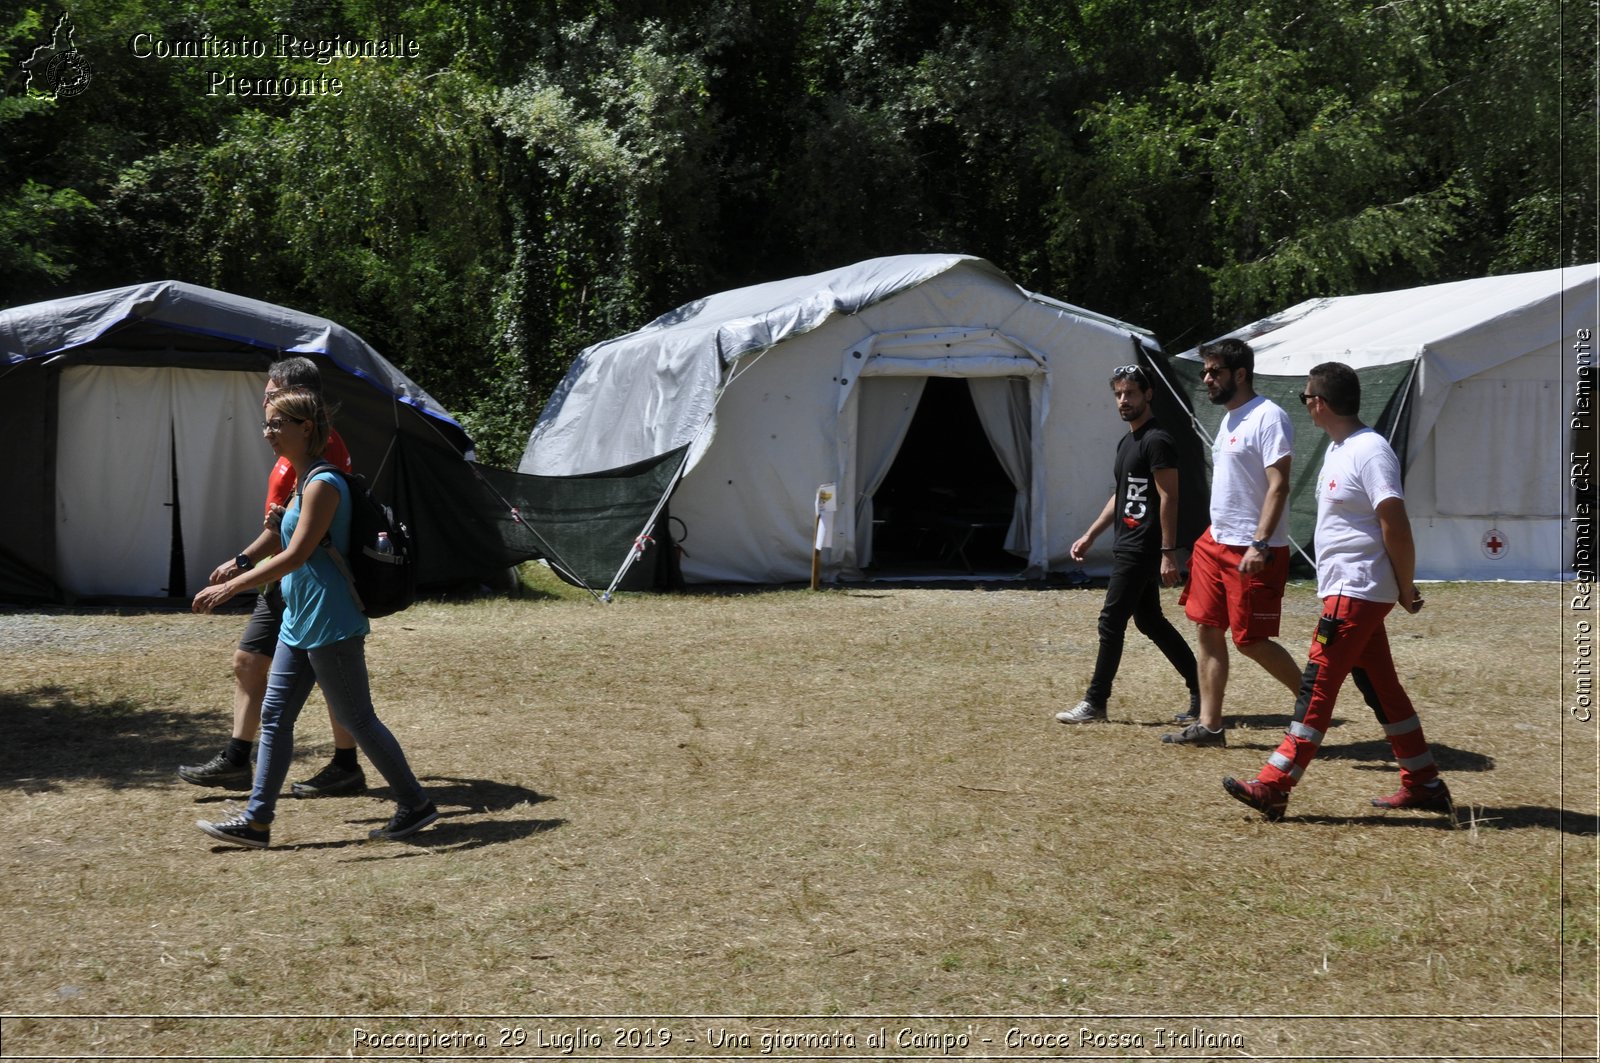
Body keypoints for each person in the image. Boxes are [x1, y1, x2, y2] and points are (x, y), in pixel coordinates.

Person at [193, 385, 439, 848]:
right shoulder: (302, 481)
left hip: (330, 619)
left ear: (306, 428)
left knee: (359, 719)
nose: (268, 432)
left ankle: (415, 803)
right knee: (274, 716)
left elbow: (297, 554)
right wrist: (242, 565)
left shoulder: (324, 484)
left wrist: (231, 586)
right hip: (298, 618)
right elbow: (283, 549)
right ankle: (257, 821)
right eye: (265, 423)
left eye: (276, 424)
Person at [1223, 362, 1453, 821]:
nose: (1305, 404)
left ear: (1320, 403)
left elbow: (1397, 528)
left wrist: (1405, 588)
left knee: (1318, 686)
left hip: (1357, 591)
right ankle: (1424, 782)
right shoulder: (1341, 448)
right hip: (1351, 590)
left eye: (1306, 397)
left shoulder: (1370, 451)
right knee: (1383, 690)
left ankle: (1275, 784)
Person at [178, 358, 367, 798]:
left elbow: (293, 537)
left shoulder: (316, 453)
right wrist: (243, 563)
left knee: (331, 685)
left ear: (296, 402)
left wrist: (238, 571)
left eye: (270, 397)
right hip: (283, 579)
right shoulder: (294, 448)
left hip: (300, 582)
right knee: (251, 664)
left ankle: (346, 769)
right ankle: (240, 762)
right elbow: (280, 523)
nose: (264, 408)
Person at [1163, 338, 1303, 747]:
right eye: (1206, 371)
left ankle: (1313, 707)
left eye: (1214, 371)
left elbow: (1279, 485)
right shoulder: (1228, 418)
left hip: (1253, 548)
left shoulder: (1269, 417)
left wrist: (1260, 543)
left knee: (1250, 641)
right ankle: (1210, 727)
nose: (1207, 378)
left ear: (1240, 374)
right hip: (1215, 541)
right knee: (1206, 628)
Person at [1056, 365, 1200, 724]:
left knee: (1110, 622)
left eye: (1131, 393)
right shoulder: (1128, 442)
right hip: (1128, 542)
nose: (1124, 400)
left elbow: (1170, 497)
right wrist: (1091, 534)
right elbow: (1122, 495)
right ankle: (1203, 688)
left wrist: (1168, 553)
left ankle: (1095, 702)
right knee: (1150, 621)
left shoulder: (1157, 440)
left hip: (1143, 546)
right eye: (1119, 394)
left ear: (1148, 395)